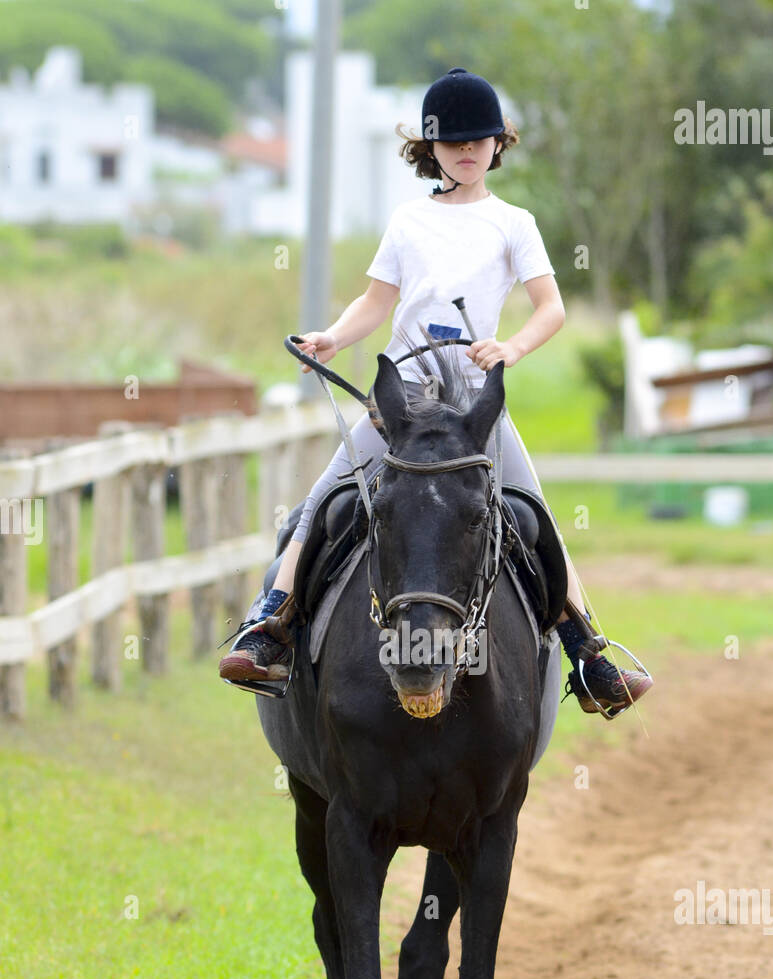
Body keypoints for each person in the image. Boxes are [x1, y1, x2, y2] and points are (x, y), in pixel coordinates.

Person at [220, 66, 652, 718]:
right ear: (431, 150)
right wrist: (333, 339)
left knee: (537, 519)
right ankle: (270, 623)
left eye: (479, 139)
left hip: (475, 406)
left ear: (498, 145)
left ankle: (589, 655)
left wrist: (512, 349)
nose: (468, 150)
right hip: (403, 400)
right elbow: (376, 301)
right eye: (453, 142)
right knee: (322, 502)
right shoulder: (408, 221)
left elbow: (551, 308)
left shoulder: (515, 223)